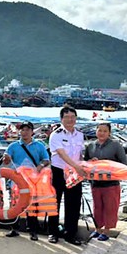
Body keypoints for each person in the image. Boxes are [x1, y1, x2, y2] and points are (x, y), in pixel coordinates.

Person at [2, 121, 51, 240]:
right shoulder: (13, 146)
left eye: (27, 130)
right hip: (16, 179)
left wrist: (40, 166)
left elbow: (46, 159)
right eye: (22, 130)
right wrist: (6, 158)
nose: (25, 132)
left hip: (32, 179)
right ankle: (14, 228)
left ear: (32, 131)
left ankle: (33, 231)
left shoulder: (39, 145)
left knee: (32, 204)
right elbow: (6, 161)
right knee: (14, 203)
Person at [48, 105, 87, 245]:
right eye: (67, 117)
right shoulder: (56, 134)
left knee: (74, 204)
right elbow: (61, 154)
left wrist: (85, 165)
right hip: (59, 171)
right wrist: (76, 166)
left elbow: (80, 155)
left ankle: (71, 234)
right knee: (54, 202)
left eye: (73, 117)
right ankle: (53, 232)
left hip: (75, 174)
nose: (70, 120)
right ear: (61, 119)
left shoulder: (80, 135)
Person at [85, 123, 127, 242]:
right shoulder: (91, 146)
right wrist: (91, 161)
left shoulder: (115, 145)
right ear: (96, 131)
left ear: (109, 133)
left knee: (110, 208)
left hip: (111, 183)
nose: (102, 133)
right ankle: (98, 229)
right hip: (96, 183)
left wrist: (108, 165)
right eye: (100, 130)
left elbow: (123, 163)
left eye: (105, 131)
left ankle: (107, 231)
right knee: (97, 207)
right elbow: (85, 163)